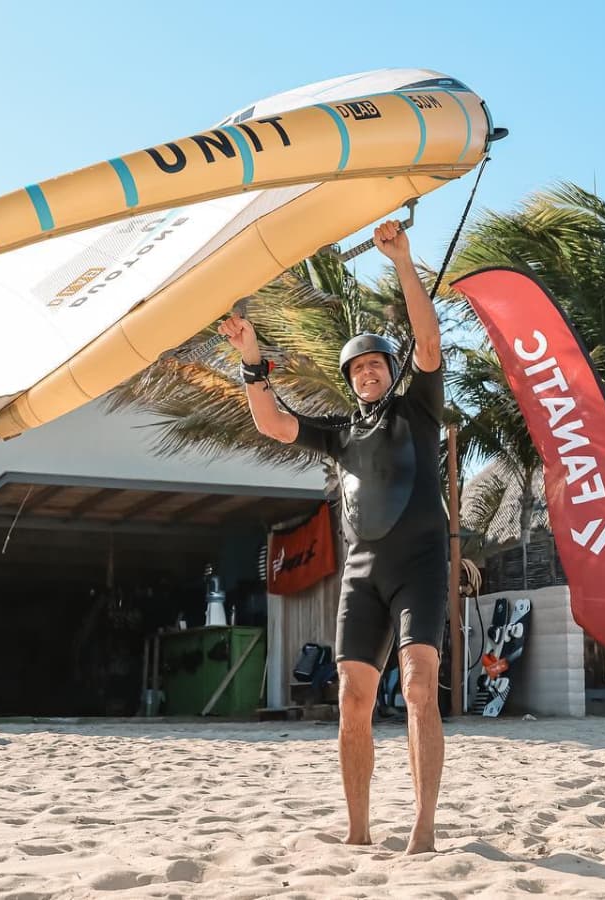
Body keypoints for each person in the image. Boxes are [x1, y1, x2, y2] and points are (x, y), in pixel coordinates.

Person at [218, 219, 446, 854]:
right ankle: (357, 829)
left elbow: (428, 341)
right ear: (349, 379)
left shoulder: (418, 408)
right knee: (351, 698)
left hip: (421, 565)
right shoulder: (341, 432)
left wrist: (402, 258)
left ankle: (423, 826)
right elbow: (272, 422)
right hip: (362, 573)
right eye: (358, 367)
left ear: (390, 371)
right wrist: (250, 358)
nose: (367, 372)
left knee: (421, 684)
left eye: (376, 364)